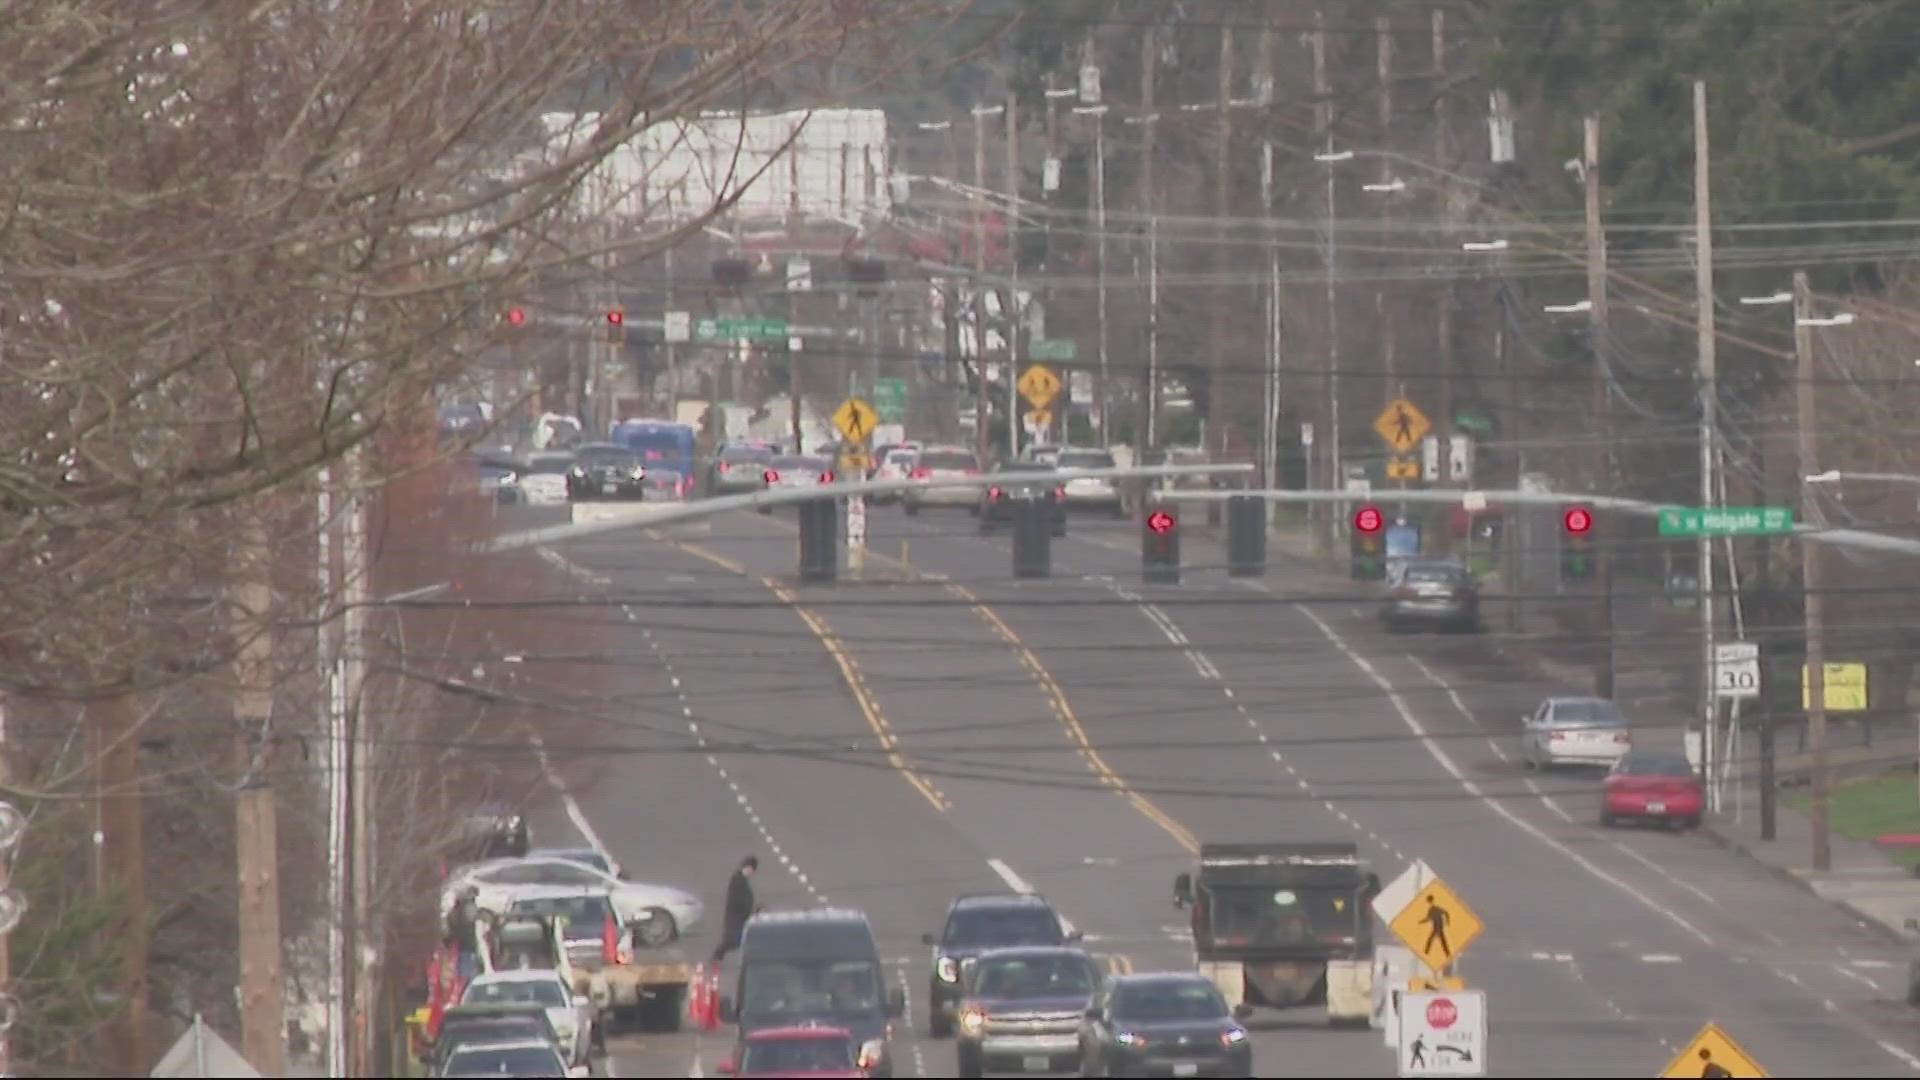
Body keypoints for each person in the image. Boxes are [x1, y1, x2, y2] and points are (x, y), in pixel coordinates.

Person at [711, 855, 758, 964]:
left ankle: (717, 958)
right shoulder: (738, 880)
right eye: (751, 869)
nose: (752, 873)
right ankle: (716, 958)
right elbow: (737, 899)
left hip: (740, 916)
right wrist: (748, 910)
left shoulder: (741, 879)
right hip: (736, 917)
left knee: (737, 940)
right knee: (732, 940)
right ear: (747, 868)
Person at [448, 886, 483, 980]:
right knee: (467, 968)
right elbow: (471, 918)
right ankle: (467, 981)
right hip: (466, 944)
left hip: (462, 945)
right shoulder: (468, 907)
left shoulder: (455, 910)